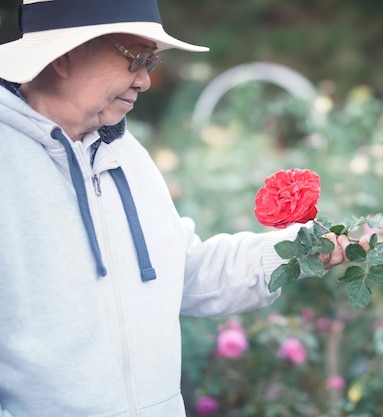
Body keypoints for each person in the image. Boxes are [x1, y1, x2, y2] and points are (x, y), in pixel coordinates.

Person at [0, 1, 355, 416]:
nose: (145, 81)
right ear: (64, 56)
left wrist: (297, 249)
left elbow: (184, 274)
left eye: (152, 61)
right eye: (135, 58)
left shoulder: (126, 155)